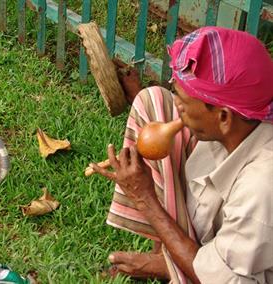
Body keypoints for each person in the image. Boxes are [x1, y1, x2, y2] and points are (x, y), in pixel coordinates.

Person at [90, 26, 273, 283]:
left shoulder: (261, 188)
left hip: (240, 273)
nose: (178, 104)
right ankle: (168, 252)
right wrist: (139, 95)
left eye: (184, 102)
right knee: (153, 102)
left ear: (223, 117)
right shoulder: (247, 116)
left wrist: (145, 199)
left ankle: (169, 264)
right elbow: (172, 108)